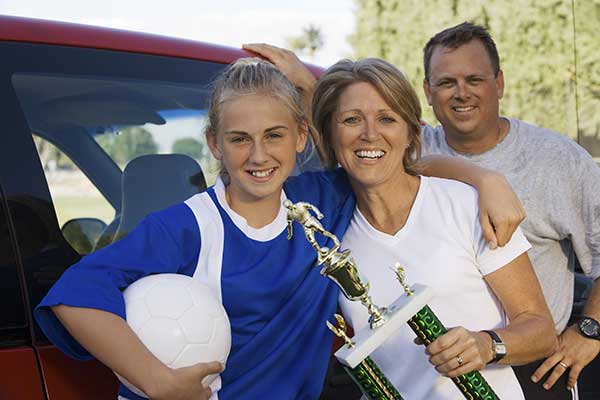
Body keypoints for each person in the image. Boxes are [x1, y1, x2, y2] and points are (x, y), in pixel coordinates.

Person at [34, 58, 357, 400]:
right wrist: (156, 380)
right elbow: (74, 294)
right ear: (215, 143)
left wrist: (309, 84)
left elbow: (394, 164)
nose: (259, 155)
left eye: (274, 135)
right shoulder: (187, 227)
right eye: (240, 139)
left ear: (301, 135)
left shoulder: (322, 200)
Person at [309, 56, 556, 399]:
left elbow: (541, 330)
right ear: (330, 135)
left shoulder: (466, 205)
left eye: (387, 118)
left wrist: (486, 345)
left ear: (411, 132)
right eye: (352, 120)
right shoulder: (327, 234)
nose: (370, 134)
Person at [420, 23, 600, 399]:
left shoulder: (559, 160)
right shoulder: (410, 153)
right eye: (446, 83)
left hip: (535, 368)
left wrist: (590, 329)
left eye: (474, 79)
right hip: (436, 367)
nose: (461, 93)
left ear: (499, 84)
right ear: (427, 92)